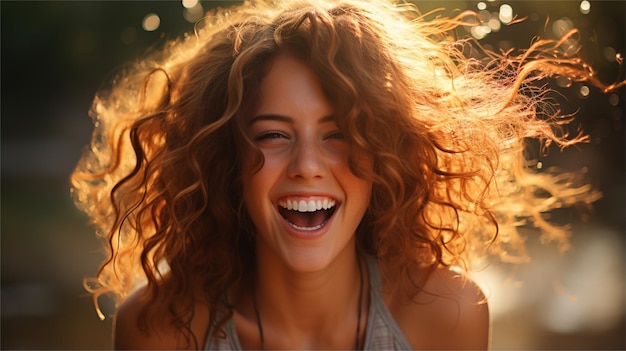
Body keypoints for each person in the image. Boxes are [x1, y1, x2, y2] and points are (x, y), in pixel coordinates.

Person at [71, 0, 623, 349]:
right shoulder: (159, 328)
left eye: (339, 135)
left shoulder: (448, 317)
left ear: (387, 155)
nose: (308, 166)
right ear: (226, 161)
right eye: (272, 135)